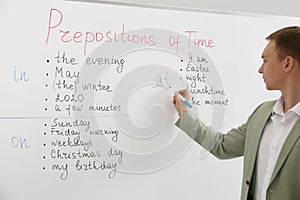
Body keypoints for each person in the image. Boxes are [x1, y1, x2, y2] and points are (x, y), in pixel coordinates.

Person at [173, 26, 300, 200]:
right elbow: (221, 146)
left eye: (265, 60)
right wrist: (186, 113)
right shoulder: (263, 114)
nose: (260, 69)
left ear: (287, 64)